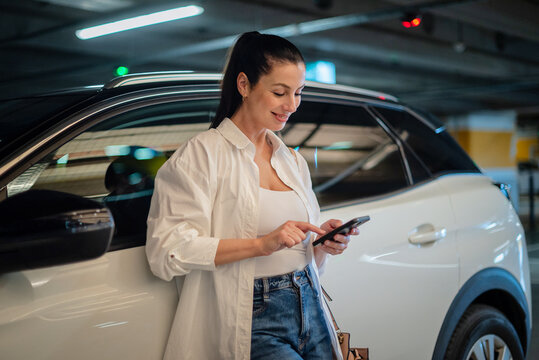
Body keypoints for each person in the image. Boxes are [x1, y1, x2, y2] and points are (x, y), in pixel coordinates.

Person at [146, 31, 359, 360]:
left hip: (308, 300)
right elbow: (166, 251)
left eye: (298, 93)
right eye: (279, 92)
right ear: (244, 85)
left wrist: (322, 243)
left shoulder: (292, 160)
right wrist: (261, 244)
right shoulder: (201, 155)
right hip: (253, 316)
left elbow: (301, 253)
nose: (292, 105)